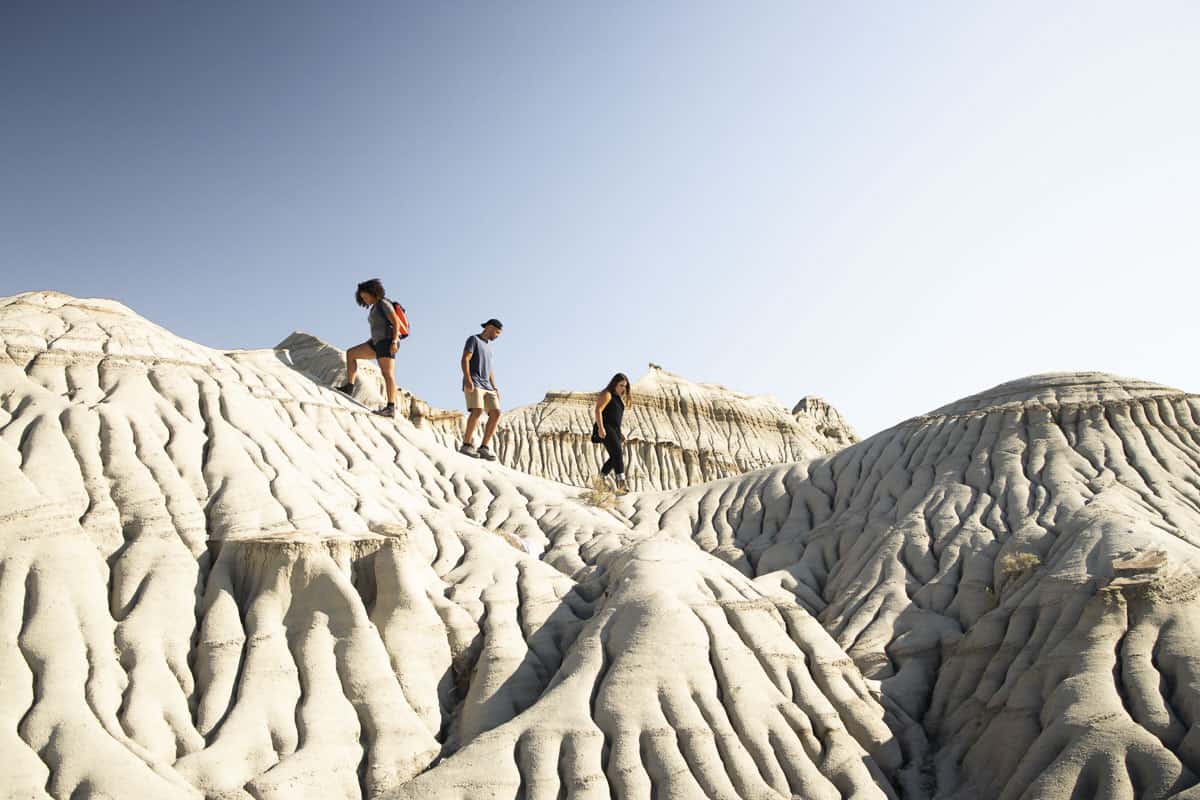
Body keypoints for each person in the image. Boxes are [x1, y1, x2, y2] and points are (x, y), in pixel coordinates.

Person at [337, 278, 401, 417]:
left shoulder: (383, 303)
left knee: (387, 374)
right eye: (362, 298)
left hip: (387, 341)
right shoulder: (375, 307)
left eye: (365, 296)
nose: (364, 299)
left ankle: (390, 408)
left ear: (373, 292)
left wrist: (395, 341)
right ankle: (349, 387)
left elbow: (396, 322)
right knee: (351, 353)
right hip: (375, 343)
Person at [460, 318, 503, 460]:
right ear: (489, 327)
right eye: (497, 332)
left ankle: (484, 447)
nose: (497, 336)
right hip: (474, 381)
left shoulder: (489, 347)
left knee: (496, 412)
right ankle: (466, 445)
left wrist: (495, 387)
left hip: (487, 385)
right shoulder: (473, 339)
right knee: (477, 411)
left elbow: (489, 369)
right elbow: (465, 359)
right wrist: (467, 378)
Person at [593, 372, 631, 494]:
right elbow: (598, 410)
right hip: (606, 427)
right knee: (618, 452)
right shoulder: (607, 394)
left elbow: (615, 417)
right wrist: (601, 428)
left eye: (625, 386)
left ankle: (600, 479)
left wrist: (620, 434)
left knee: (616, 455)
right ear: (614, 384)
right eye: (621, 385)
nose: (623, 388)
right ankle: (621, 483)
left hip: (614, 429)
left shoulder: (617, 398)